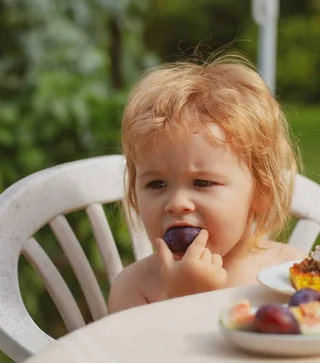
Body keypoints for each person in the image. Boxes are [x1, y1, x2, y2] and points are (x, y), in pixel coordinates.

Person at [107, 52, 306, 314]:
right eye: (156, 184)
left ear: (262, 190)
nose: (177, 204)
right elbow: (128, 356)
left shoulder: (291, 271)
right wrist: (177, 300)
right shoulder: (134, 287)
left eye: (201, 182)